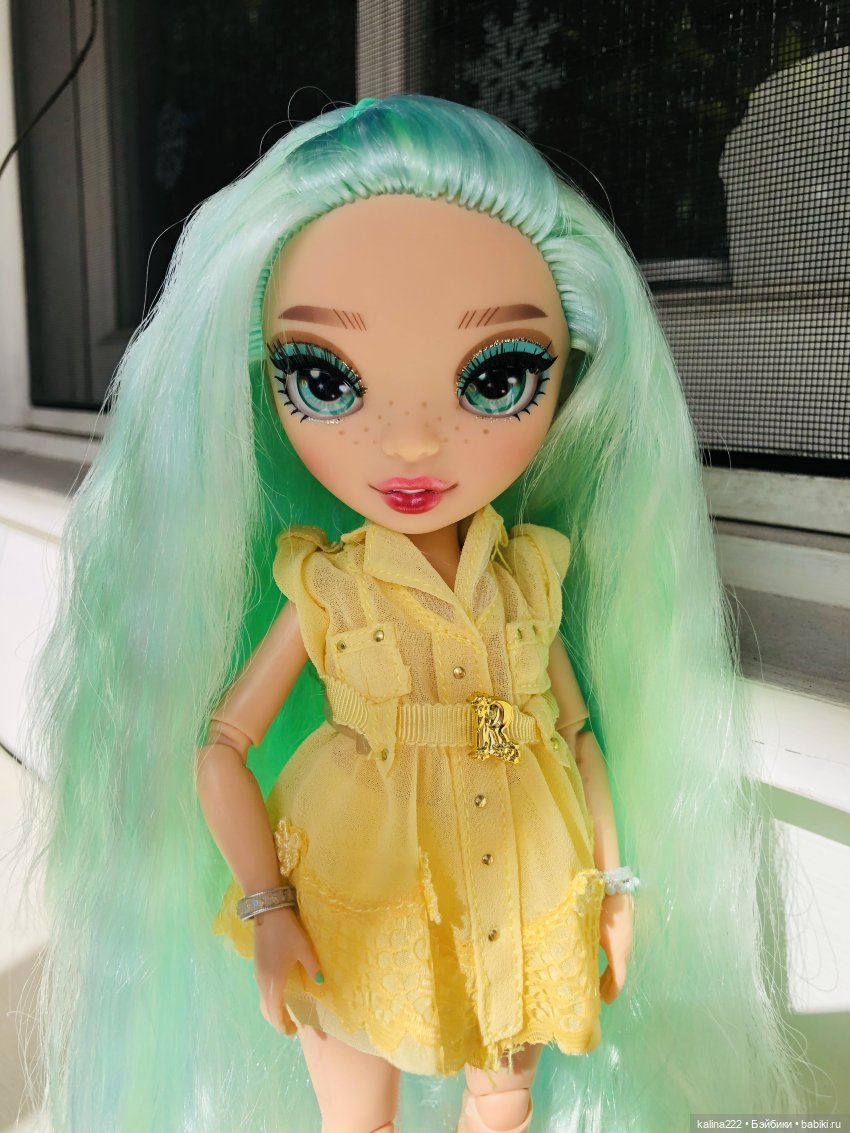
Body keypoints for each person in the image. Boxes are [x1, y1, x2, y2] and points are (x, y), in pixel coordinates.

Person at [25, 95, 806, 1133]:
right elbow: (221, 745)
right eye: (323, 378)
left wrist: (616, 885)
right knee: (358, 1113)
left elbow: (579, 732)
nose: (408, 443)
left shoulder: (531, 573)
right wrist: (266, 903)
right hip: (360, 881)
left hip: (528, 873)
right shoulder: (328, 585)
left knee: (504, 1100)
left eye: (498, 376)